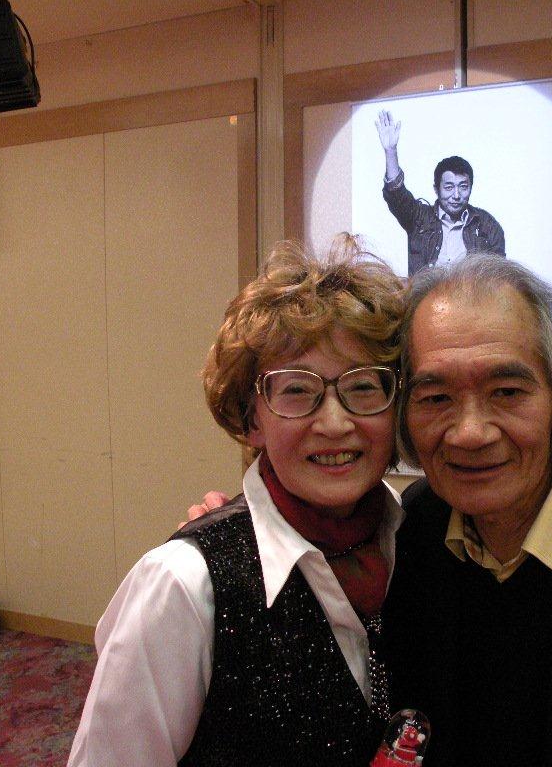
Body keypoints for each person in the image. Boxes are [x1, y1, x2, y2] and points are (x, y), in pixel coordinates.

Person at [185, 254, 552, 765]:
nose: (470, 432)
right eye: (436, 397)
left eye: (507, 392)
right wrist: (228, 543)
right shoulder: (409, 531)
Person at [67, 235, 406, 766]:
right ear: (252, 419)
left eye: (363, 387)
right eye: (297, 390)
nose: (335, 422)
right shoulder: (184, 586)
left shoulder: (422, 538)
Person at [375, 109, 506, 275]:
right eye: (449, 187)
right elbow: (396, 195)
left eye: (463, 187)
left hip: (469, 292)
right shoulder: (419, 218)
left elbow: (500, 276)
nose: (456, 195)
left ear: (471, 187)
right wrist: (390, 151)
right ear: (436, 189)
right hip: (426, 292)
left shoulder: (487, 225)